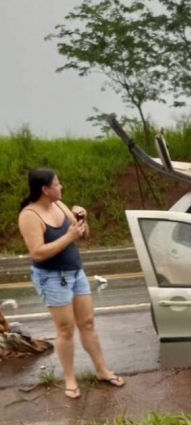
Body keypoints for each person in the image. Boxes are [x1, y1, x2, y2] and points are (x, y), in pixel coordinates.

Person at [17, 168, 125, 399]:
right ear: (45, 190)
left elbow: (83, 236)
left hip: (76, 273)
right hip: (52, 278)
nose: (61, 187)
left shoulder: (59, 205)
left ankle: (102, 370)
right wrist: (69, 236)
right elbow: (37, 253)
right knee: (66, 330)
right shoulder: (29, 215)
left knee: (87, 323)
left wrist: (81, 221)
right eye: (57, 184)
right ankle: (70, 379)